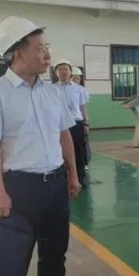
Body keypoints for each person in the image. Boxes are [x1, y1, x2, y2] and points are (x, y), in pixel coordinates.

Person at [0, 16, 84, 276]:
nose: (47, 53)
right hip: (19, 189)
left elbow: (64, 135)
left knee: (54, 255)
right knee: (12, 260)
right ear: (17, 54)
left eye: (46, 46)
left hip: (55, 186)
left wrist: (73, 174)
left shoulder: (52, 92)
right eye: (39, 48)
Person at [54, 60, 89, 188]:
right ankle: (64, 179)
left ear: (70, 72)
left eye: (66, 69)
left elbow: (82, 107)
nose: (63, 72)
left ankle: (80, 178)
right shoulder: (51, 89)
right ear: (56, 73)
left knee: (78, 152)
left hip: (76, 124)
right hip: (59, 126)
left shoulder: (79, 89)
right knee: (60, 152)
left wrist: (86, 123)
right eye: (60, 69)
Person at [70, 66, 91, 168]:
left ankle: (84, 163)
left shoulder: (81, 90)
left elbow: (83, 107)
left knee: (81, 144)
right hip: (67, 122)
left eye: (78, 79)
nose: (76, 81)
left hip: (78, 121)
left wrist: (86, 122)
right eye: (74, 78)